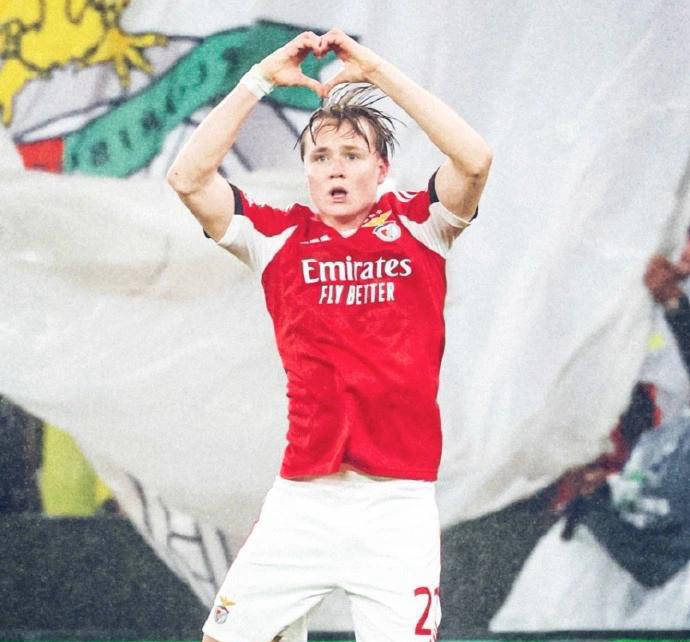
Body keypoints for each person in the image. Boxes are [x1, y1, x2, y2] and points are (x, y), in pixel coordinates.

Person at [167, 29, 491, 642]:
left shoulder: (421, 225)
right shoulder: (276, 236)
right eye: (320, 156)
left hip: (396, 506)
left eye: (352, 154)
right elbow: (187, 177)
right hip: (304, 500)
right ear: (307, 173)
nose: (335, 167)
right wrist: (259, 80)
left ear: (382, 168)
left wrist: (376, 71)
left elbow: (474, 159)